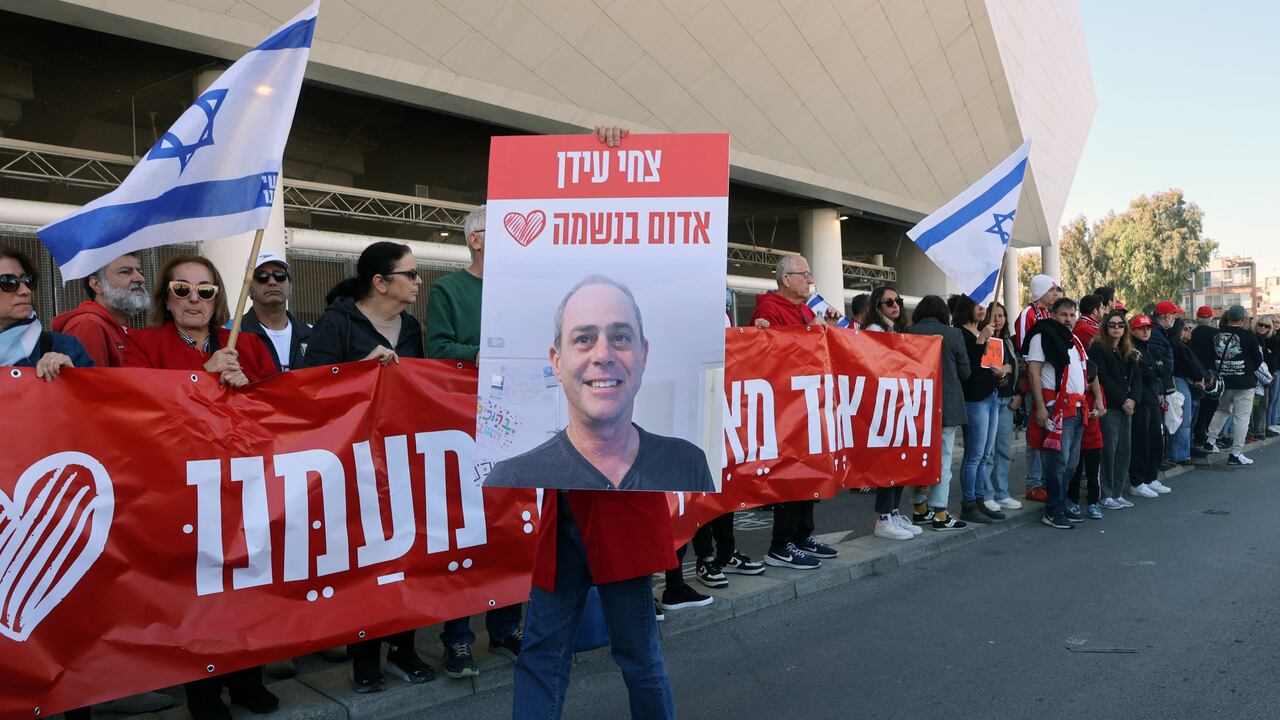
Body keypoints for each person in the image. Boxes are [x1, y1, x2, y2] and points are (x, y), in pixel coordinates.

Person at [121, 254, 277, 720]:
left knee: (251, 586)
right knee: (198, 595)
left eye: (205, 291)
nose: (194, 299)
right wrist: (198, 379)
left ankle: (249, 678)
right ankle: (204, 693)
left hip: (244, 487)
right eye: (182, 289)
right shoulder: (141, 344)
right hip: (181, 493)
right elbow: (138, 412)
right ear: (165, 299)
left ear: (217, 299)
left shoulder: (248, 344)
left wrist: (248, 387)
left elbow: (284, 412)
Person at [302, 241, 433, 692]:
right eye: (411, 274)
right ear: (380, 281)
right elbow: (305, 390)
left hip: (403, 459)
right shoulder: (338, 323)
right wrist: (359, 370)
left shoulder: (412, 326)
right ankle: (364, 657)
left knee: (409, 554)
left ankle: (403, 647)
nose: (418, 282)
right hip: (353, 464)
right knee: (364, 559)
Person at [421, 206, 528, 677]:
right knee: (462, 529)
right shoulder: (449, 288)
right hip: (463, 421)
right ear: (477, 240)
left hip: (515, 420)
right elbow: (437, 348)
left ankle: (506, 625)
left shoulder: (522, 290)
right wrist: (482, 354)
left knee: (508, 524)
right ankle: (458, 638)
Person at [484, 277, 712, 493]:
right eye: (584, 339)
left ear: (643, 355)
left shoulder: (690, 465)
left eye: (620, 337)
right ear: (557, 362)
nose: (603, 355)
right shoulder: (510, 481)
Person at [748, 255, 839, 566]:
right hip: (785, 408)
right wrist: (810, 332)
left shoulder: (802, 308)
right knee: (791, 475)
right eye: (805, 274)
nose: (810, 279)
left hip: (806, 403)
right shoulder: (769, 309)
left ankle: (801, 535)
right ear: (786, 279)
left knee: (809, 472)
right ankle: (780, 544)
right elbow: (768, 355)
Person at [1023, 297, 1100, 529]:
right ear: (1053, 315)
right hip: (1056, 408)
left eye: (1071, 315)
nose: (1068, 319)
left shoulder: (1073, 339)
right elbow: (1034, 373)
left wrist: (1096, 400)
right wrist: (1040, 407)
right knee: (1057, 462)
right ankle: (1053, 510)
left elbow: (1088, 372)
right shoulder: (1041, 336)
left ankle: (1063, 503)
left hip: (1077, 408)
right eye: (1063, 315)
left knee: (1071, 463)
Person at [864, 285, 926, 539]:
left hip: (902, 400)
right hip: (884, 401)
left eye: (897, 301)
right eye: (888, 302)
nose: (895, 305)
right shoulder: (874, 331)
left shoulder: (899, 330)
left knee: (902, 457)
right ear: (877, 306)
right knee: (889, 459)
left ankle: (894, 511)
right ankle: (883, 517)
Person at [907, 295, 970, 531]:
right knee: (943, 459)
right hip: (946, 405)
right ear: (944, 312)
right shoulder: (953, 334)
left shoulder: (909, 331)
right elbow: (965, 372)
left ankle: (919, 508)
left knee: (917, 457)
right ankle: (940, 512)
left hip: (916, 405)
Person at [952, 294, 1007, 525]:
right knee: (974, 455)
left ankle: (979, 499)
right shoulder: (961, 333)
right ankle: (969, 504)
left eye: (984, 305)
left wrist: (1001, 372)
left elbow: (987, 364)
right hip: (974, 399)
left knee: (985, 454)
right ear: (966, 307)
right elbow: (968, 369)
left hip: (991, 395)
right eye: (978, 305)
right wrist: (980, 340)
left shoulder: (984, 332)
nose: (983, 309)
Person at [1, 246, 92, 376]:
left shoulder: (66, 347)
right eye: (8, 282)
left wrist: (73, 377)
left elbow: (97, 394)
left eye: (27, 280)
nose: (25, 291)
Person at [51, 252, 149, 368]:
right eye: (125, 272)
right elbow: (91, 384)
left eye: (140, 272)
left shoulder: (116, 327)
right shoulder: (88, 325)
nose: (140, 279)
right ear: (97, 284)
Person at [1013, 274, 1061, 502]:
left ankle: (1043, 480)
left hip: (1051, 383)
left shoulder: (1048, 313)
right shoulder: (1028, 315)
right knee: (1035, 434)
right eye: (1051, 290)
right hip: (1036, 384)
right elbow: (1025, 351)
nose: (1055, 294)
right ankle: (1033, 483)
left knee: (1049, 433)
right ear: (1041, 291)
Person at [1090, 311, 1140, 510]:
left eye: (1120, 325)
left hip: (1127, 407)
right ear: (1105, 327)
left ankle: (1117, 493)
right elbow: (1102, 379)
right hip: (1110, 406)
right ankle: (1106, 494)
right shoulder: (1098, 348)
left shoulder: (1128, 350)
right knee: (1108, 451)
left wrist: (1133, 400)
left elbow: (1137, 380)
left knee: (1124, 450)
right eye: (1112, 325)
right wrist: (1123, 401)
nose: (1117, 328)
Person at [1204, 305, 1265, 465]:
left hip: (1223, 381)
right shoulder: (1248, 336)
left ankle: (1210, 441)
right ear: (1243, 319)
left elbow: (1211, 356)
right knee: (1242, 417)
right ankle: (1236, 453)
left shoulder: (1216, 335)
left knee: (1222, 410)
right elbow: (1258, 360)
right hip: (1244, 383)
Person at [236, 252, 310, 372]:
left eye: (280, 275)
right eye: (262, 276)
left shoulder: (312, 334)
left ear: (290, 287)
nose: (272, 282)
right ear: (248, 289)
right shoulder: (232, 334)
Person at [981, 302, 1023, 512]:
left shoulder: (1007, 341)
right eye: (994, 315)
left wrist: (1018, 393)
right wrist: (1002, 369)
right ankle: (987, 494)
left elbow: (1014, 368)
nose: (998, 319)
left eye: (1001, 315)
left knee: (1003, 450)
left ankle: (1002, 492)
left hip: (1007, 400)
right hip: (988, 400)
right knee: (987, 452)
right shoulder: (982, 340)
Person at [1127, 315, 1170, 497]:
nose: (1146, 331)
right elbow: (1147, 373)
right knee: (1141, 443)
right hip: (1140, 402)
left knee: (1156, 442)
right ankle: (1137, 482)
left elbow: (1164, 370)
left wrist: (1155, 370)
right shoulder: (1131, 350)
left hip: (1153, 399)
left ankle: (1150, 478)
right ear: (1133, 330)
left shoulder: (1151, 348)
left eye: (1148, 328)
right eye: (1141, 328)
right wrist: (1155, 370)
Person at [1169, 318, 1208, 465]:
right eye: (1185, 329)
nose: (1189, 332)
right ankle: (1180, 455)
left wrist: (1202, 377)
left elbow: (1195, 364)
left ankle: (1185, 452)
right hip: (1181, 380)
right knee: (1183, 420)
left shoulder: (1185, 345)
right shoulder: (1177, 346)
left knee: (1189, 419)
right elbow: (1189, 365)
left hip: (1188, 381)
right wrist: (1199, 377)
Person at [1190, 305, 1221, 449]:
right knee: (1210, 407)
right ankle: (1207, 438)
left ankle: (1197, 437)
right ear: (1211, 318)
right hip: (1211, 374)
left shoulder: (1191, 332)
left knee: (1197, 407)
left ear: (1197, 318)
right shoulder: (1216, 333)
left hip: (1194, 373)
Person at [1248, 317, 1275, 440]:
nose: (1263, 328)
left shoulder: (1267, 340)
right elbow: (1257, 361)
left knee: (1263, 405)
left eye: (1266, 326)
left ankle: (1259, 430)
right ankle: (1251, 431)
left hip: (1266, 378)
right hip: (1256, 378)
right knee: (1254, 405)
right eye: (1260, 325)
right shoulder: (1253, 338)